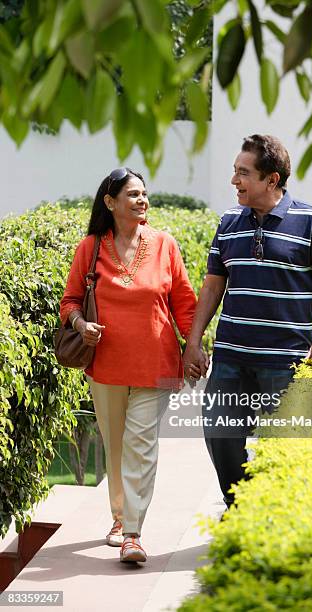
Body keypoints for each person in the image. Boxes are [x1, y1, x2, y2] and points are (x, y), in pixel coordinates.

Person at [183, 134, 312, 510]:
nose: (235, 181)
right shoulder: (228, 222)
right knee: (220, 435)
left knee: (279, 447)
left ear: (272, 179)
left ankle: (267, 515)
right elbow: (211, 287)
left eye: (243, 173)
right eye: (235, 172)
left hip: (284, 362)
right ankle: (239, 506)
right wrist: (193, 341)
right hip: (231, 357)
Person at [60, 167, 196, 563]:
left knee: (141, 444)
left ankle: (133, 533)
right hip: (105, 367)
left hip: (157, 364)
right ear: (110, 202)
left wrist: (194, 347)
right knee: (116, 445)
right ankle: (119, 518)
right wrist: (81, 324)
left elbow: (184, 303)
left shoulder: (165, 244)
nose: (142, 200)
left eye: (144, 193)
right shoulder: (90, 248)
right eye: (133, 194)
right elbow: (69, 302)